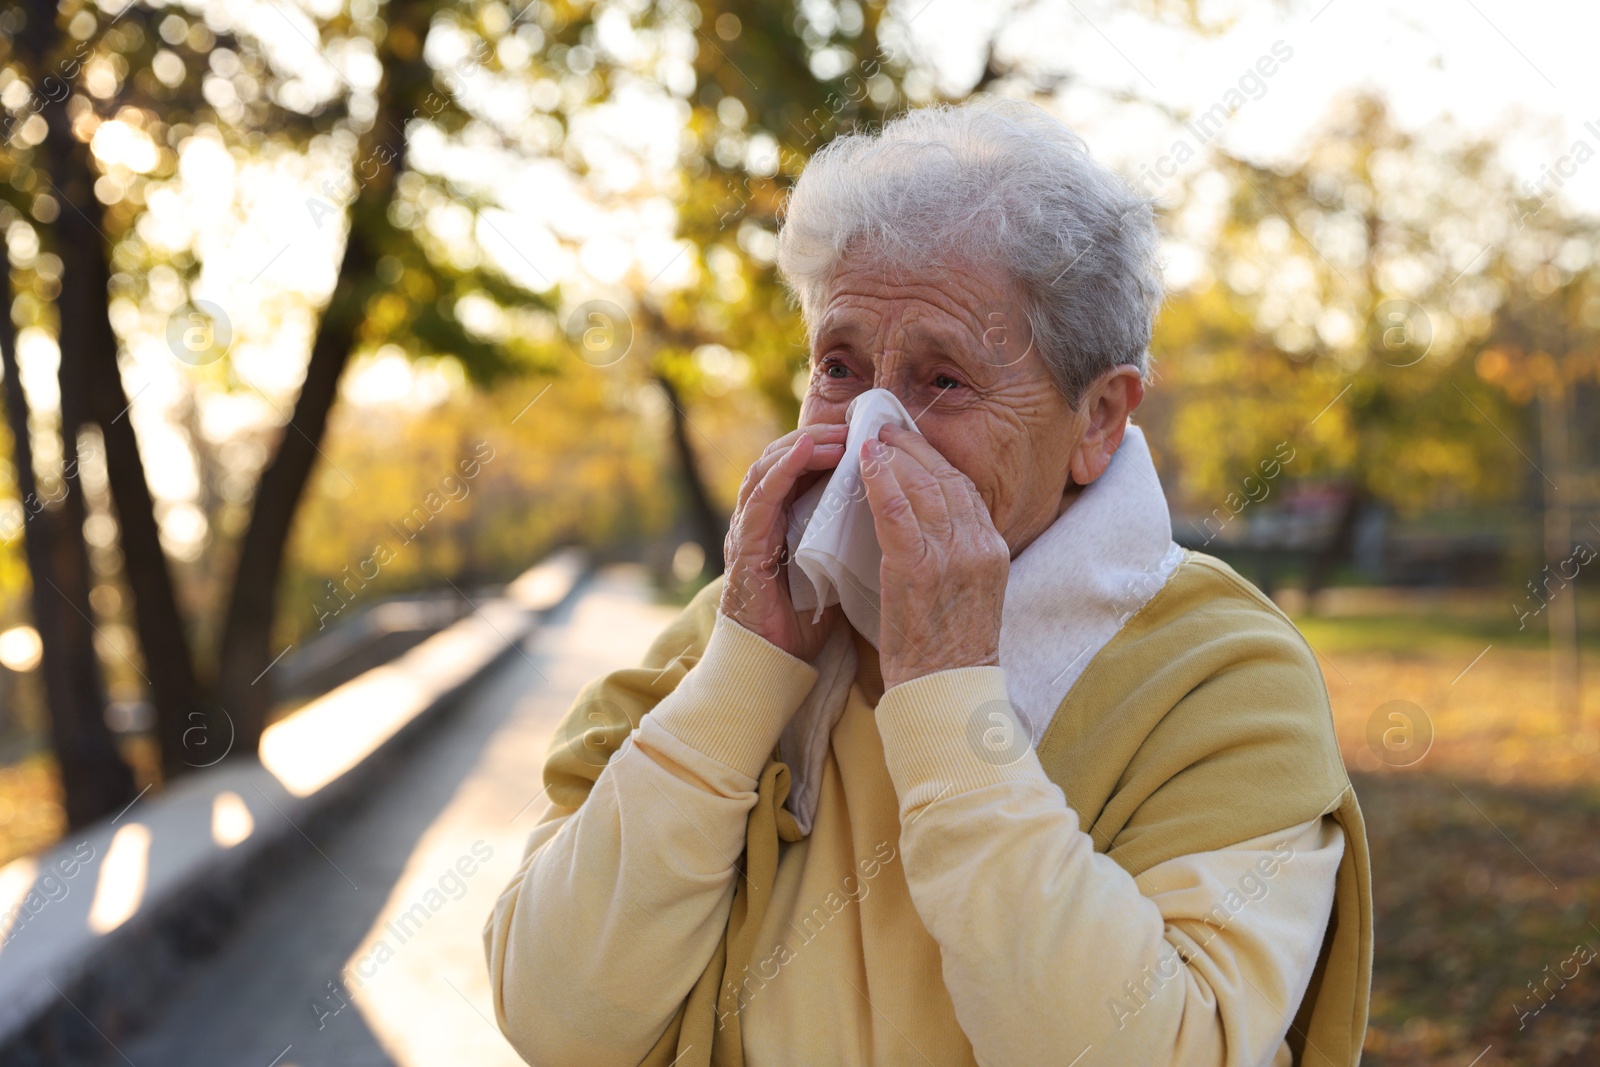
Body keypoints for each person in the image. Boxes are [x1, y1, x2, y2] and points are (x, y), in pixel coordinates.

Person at [485, 97, 1371, 1067]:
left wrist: (948, 695)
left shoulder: (1224, 677)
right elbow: (555, 1019)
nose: (874, 432)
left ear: (1098, 420)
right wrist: (742, 677)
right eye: (839, 366)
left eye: (942, 379)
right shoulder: (729, 633)